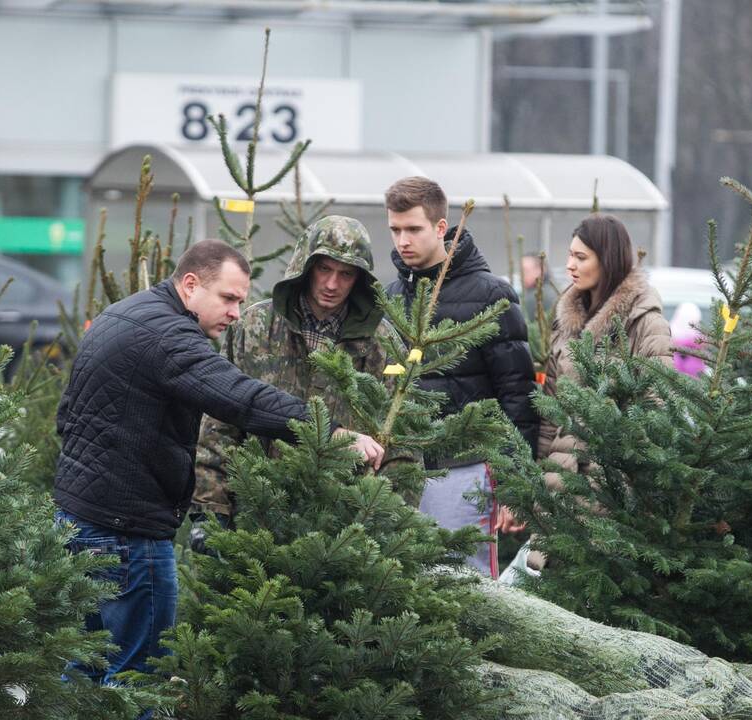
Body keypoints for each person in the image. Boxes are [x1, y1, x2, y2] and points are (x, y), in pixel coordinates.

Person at [52, 239, 384, 701]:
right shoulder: (171, 335)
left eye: (242, 301)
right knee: (137, 680)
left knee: (83, 667)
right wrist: (328, 430)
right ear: (190, 285)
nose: (235, 313)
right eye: (228, 299)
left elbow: (65, 417)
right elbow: (239, 397)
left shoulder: (122, 313)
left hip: (76, 520)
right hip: (127, 533)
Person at [192, 215, 403, 526]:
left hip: (343, 528)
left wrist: (384, 519)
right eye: (324, 269)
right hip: (256, 514)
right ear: (306, 267)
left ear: (359, 278)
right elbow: (218, 422)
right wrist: (210, 511)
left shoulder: (381, 343)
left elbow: (399, 439)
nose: (332, 284)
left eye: (345, 274)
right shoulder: (253, 327)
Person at [384, 176, 537, 578]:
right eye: (395, 230)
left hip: (464, 471)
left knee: (463, 587)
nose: (403, 241)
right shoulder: (389, 298)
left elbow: (517, 396)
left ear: (440, 228)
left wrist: (515, 486)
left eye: (413, 229)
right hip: (400, 472)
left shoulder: (490, 296)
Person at [521, 214, 672, 572]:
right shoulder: (568, 318)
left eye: (581, 257)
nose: (570, 266)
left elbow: (655, 406)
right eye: (570, 255)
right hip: (560, 475)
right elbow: (550, 410)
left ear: (608, 259)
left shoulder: (644, 321)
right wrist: (537, 481)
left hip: (613, 482)